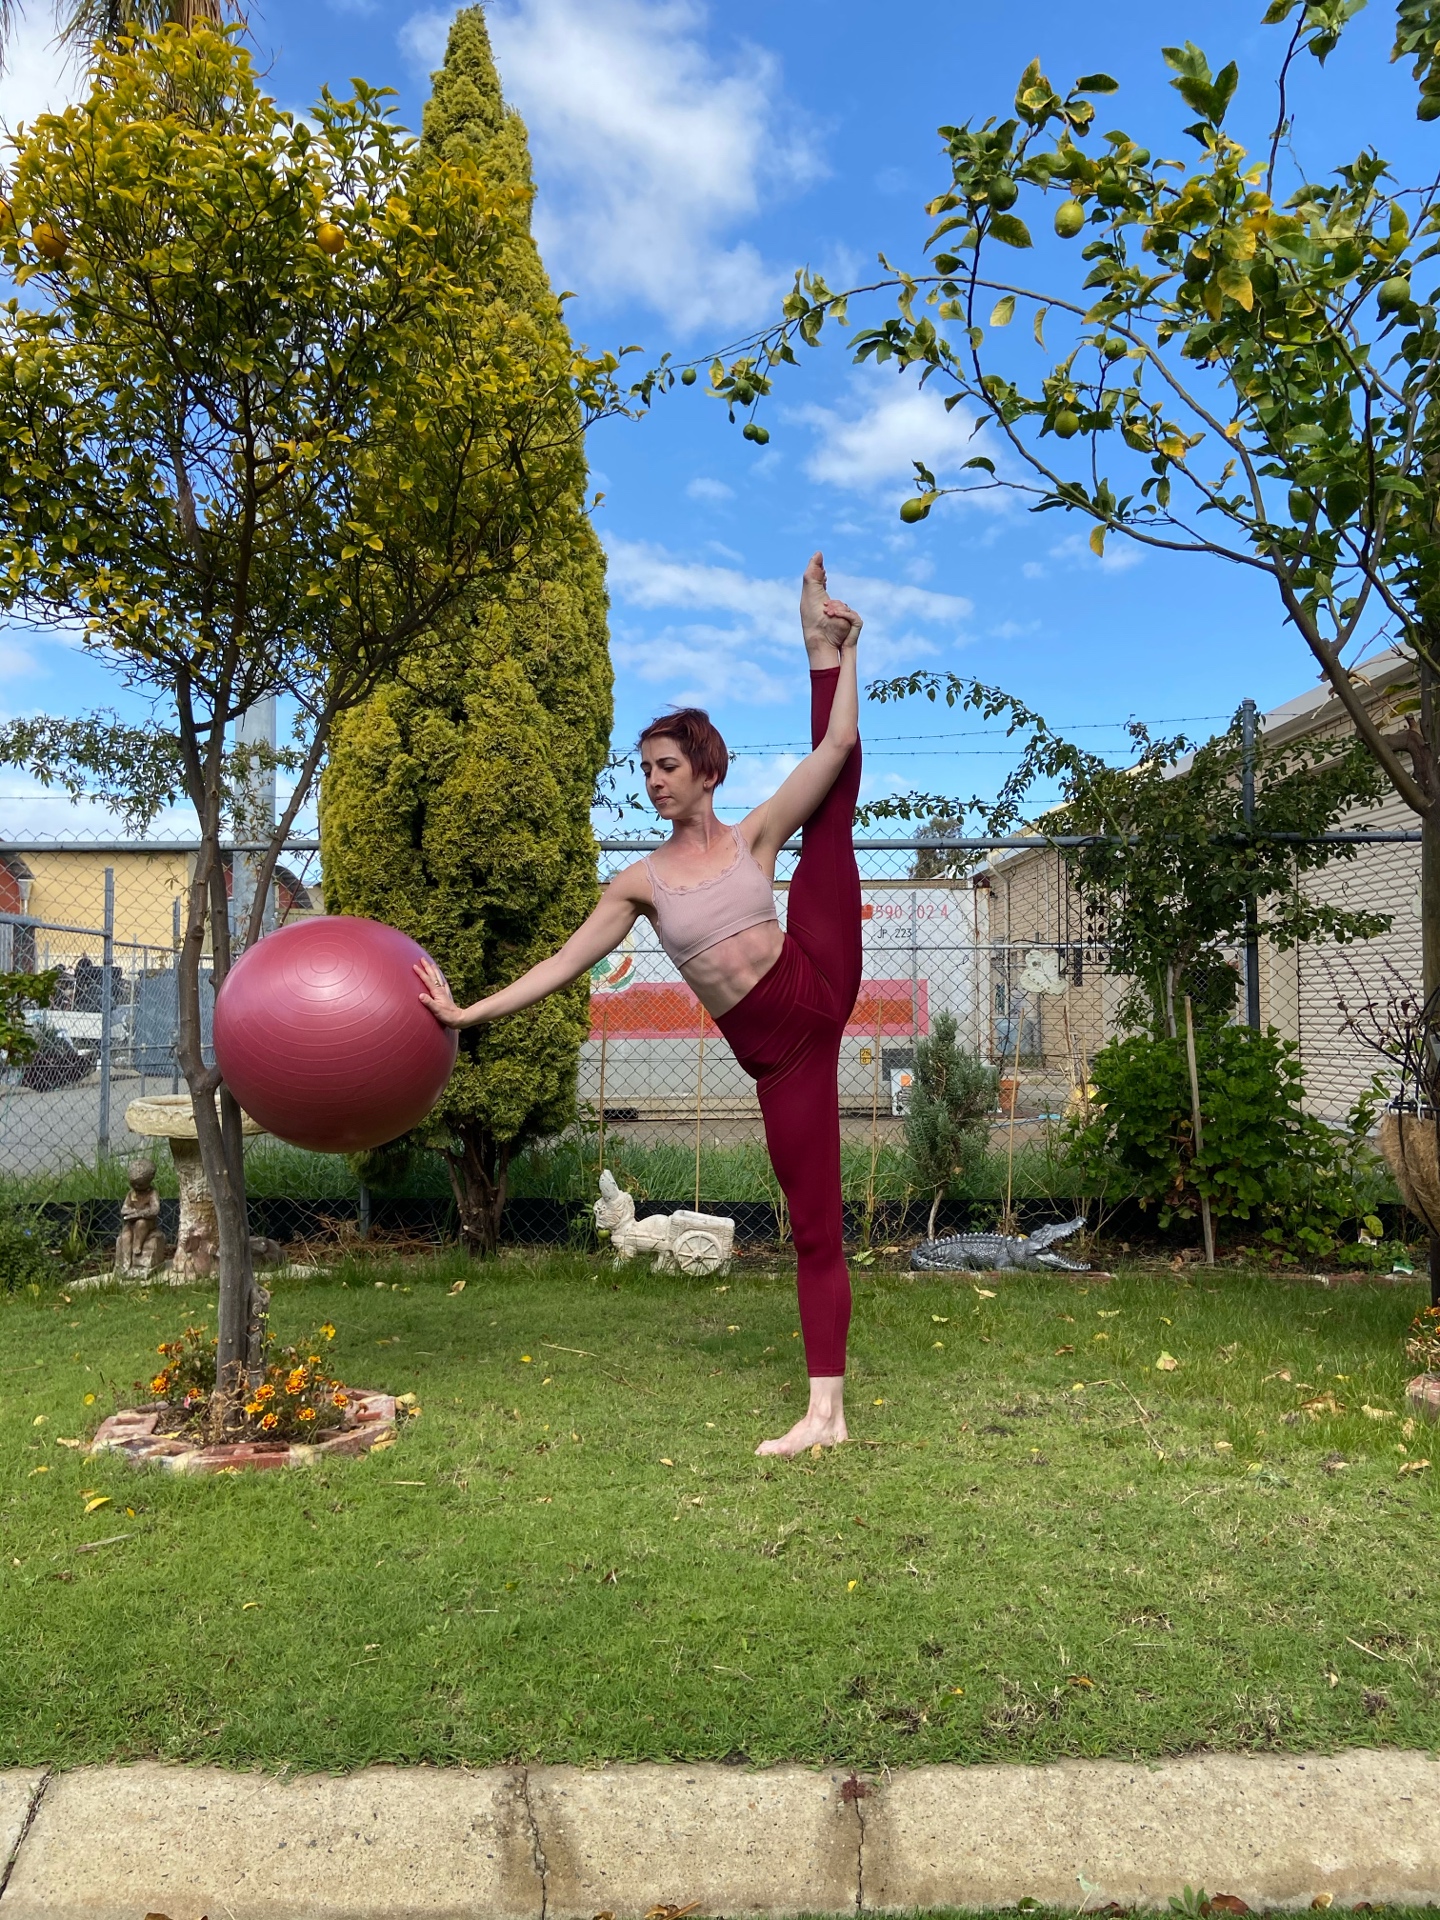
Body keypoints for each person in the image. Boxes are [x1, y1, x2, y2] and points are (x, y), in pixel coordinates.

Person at [415, 552, 863, 1457]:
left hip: (819, 972)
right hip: (787, 1059)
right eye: (646, 770)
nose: (653, 781)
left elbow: (835, 750)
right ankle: (827, 1416)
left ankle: (815, 646)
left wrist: (847, 655)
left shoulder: (753, 838)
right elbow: (561, 962)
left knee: (835, 800)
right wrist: (468, 1016)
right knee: (816, 1225)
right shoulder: (641, 883)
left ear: (705, 771)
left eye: (666, 766)